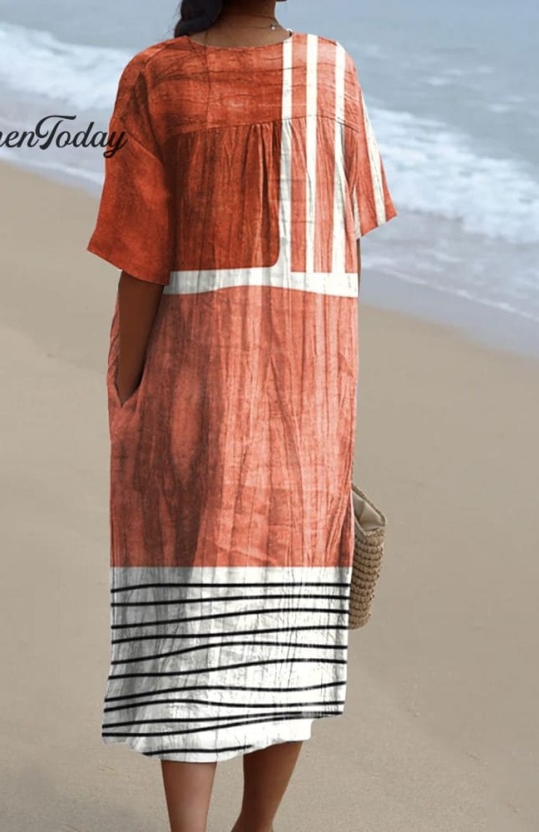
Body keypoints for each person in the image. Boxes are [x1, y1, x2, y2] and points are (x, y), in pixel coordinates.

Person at [86, 1, 398, 830]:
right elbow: (349, 240)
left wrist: (125, 389)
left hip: (196, 388)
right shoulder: (330, 69)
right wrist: (326, 382)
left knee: (194, 616)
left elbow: (139, 257)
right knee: (289, 625)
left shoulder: (157, 74)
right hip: (306, 394)